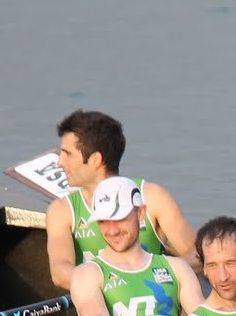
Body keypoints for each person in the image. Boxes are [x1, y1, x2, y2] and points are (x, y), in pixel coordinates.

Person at [68, 177, 203, 316]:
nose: (111, 230)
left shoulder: (175, 267)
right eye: (103, 221)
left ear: (140, 213)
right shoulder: (88, 273)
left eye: (119, 218)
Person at [45, 109, 197, 291]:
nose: (59, 162)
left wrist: (151, 275)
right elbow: (60, 273)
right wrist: (116, 281)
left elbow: (197, 255)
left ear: (95, 160)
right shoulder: (61, 211)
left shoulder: (153, 197)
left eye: (67, 154)